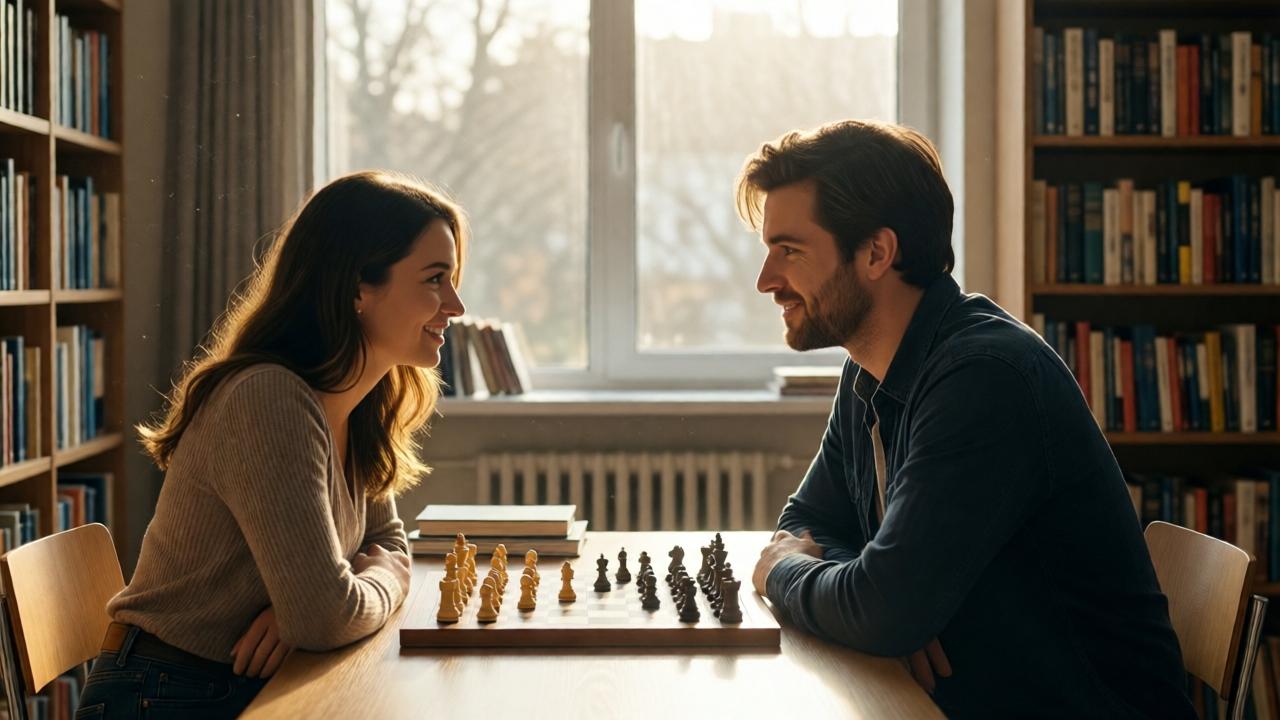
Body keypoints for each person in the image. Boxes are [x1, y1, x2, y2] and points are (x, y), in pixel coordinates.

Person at [741, 120, 1194, 719]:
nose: (766, 280)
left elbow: (864, 595)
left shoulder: (985, 378)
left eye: (789, 250)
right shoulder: (869, 369)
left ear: (877, 252)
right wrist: (880, 605)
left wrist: (790, 575)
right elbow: (811, 520)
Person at [76, 171, 467, 718]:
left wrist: (315, 605)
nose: (456, 304)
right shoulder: (270, 399)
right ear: (358, 286)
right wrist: (365, 588)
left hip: (245, 683)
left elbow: (385, 543)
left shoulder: (356, 403)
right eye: (434, 279)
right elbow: (333, 612)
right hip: (166, 694)